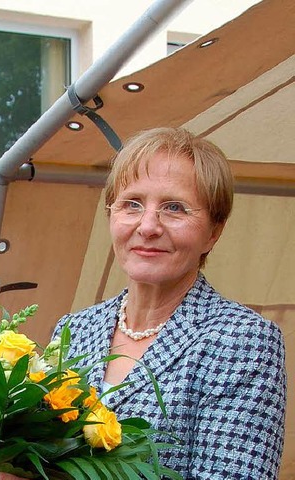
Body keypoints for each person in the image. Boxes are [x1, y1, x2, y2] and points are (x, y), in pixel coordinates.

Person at [51, 127, 286, 478]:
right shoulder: (74, 329)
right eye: (132, 204)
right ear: (110, 215)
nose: (148, 226)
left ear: (213, 231)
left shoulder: (243, 341)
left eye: (174, 208)